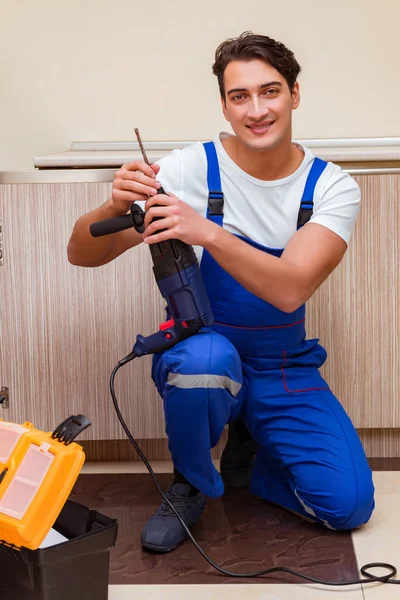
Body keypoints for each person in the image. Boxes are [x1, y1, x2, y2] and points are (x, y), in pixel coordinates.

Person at [67, 31, 375, 553]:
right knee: (204, 364)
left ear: (295, 95)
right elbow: (83, 253)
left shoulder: (330, 186)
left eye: (270, 91)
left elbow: (290, 289)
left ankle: (254, 462)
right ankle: (190, 481)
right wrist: (108, 207)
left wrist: (205, 230)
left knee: (347, 507)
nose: (257, 110)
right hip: (204, 347)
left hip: (283, 365)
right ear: (225, 106)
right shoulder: (189, 168)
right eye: (240, 97)